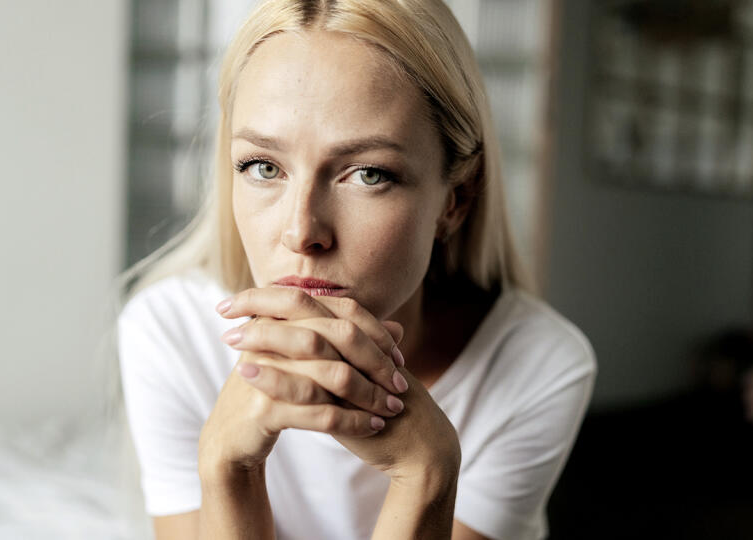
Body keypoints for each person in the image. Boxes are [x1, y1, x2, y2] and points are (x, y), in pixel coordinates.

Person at [115, 1, 596, 538]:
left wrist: (428, 474)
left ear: (454, 200)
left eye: (368, 174)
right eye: (263, 167)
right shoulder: (170, 331)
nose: (302, 232)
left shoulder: (537, 364)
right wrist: (227, 469)